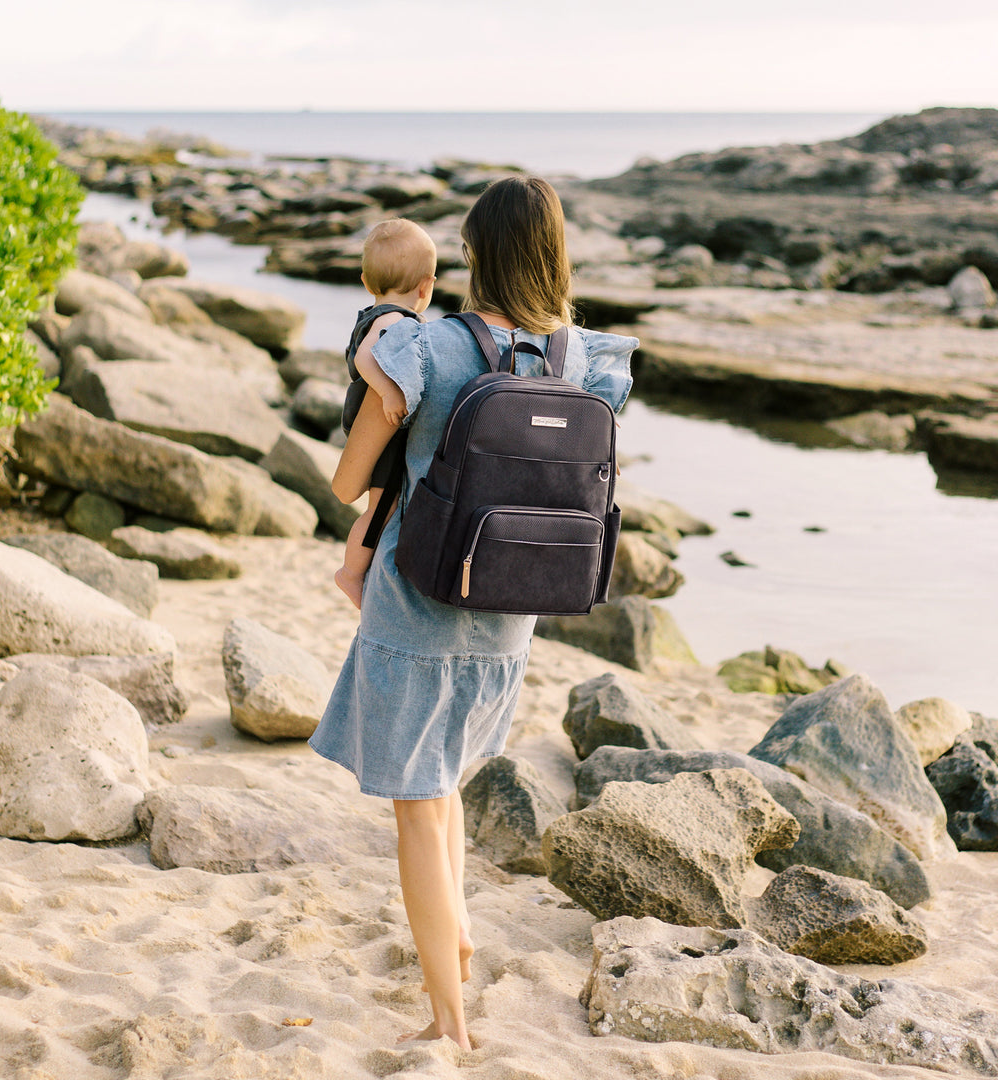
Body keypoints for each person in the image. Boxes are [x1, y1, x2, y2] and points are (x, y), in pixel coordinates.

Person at [310, 177, 637, 1050]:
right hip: (511, 612)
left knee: (418, 804)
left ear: (474, 256)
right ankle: (454, 942)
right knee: (443, 781)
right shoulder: (585, 360)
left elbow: (348, 482)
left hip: (418, 606)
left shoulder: (429, 349)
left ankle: (449, 1027)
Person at [334, 218, 437, 609]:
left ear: (365, 280)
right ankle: (351, 574)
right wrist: (390, 392)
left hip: (363, 417)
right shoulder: (395, 319)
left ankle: (357, 570)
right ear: (426, 286)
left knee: (382, 503)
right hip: (380, 424)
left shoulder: (373, 313)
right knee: (381, 507)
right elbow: (365, 359)